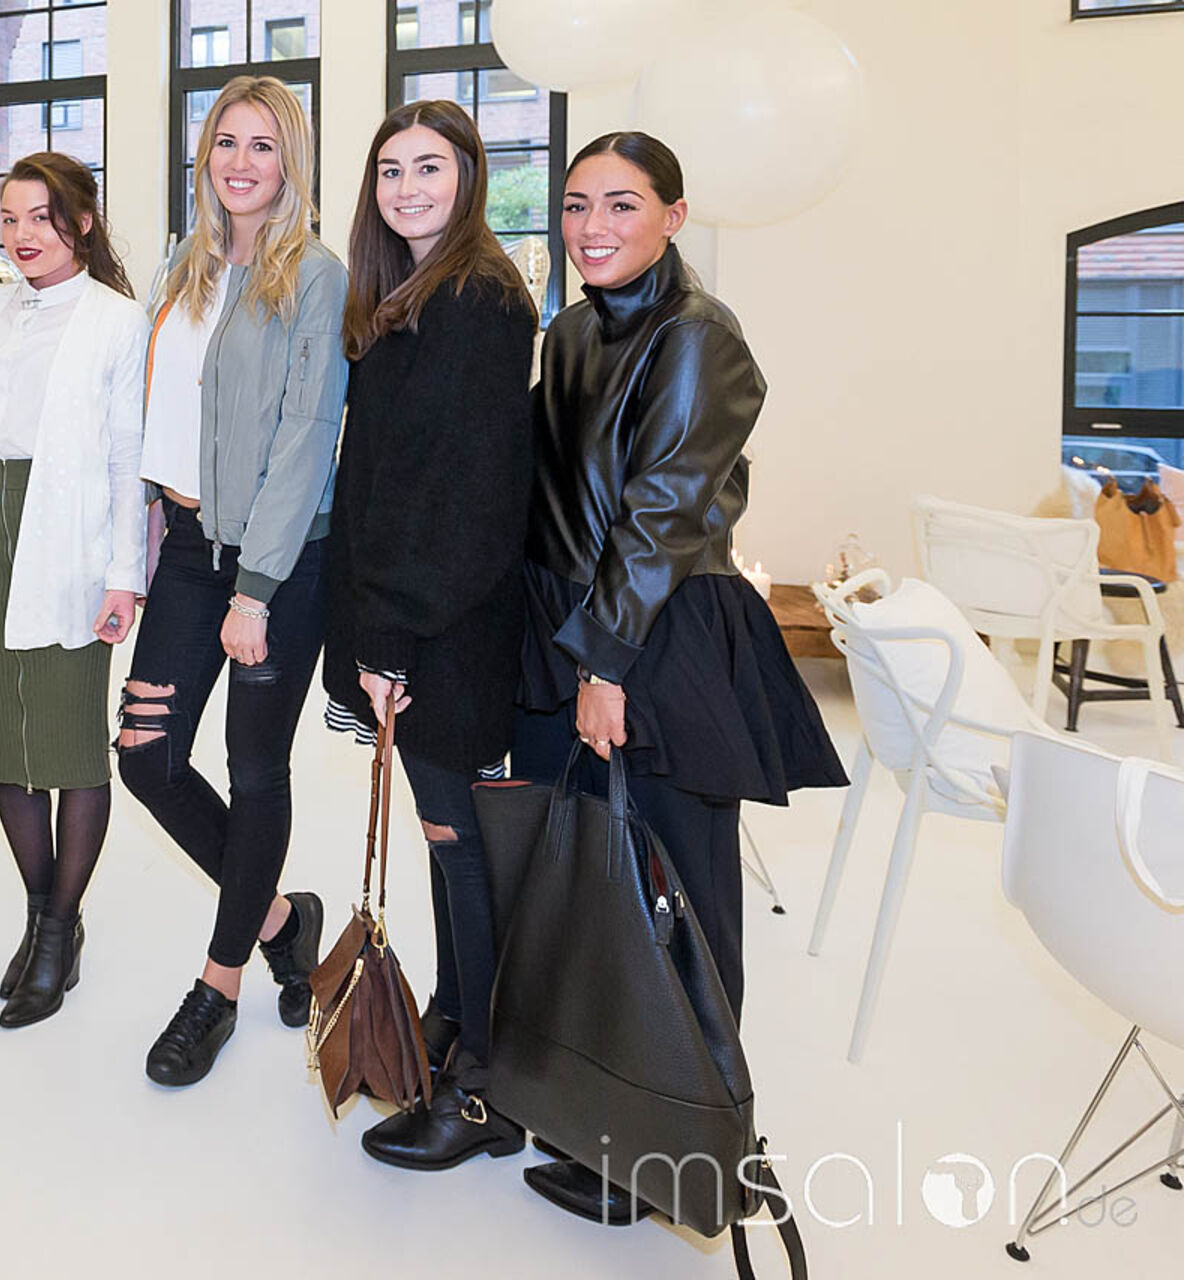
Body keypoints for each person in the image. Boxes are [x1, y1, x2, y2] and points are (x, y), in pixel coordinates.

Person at [511, 131, 846, 1221]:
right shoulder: (571, 331)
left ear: (675, 215)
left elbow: (662, 514)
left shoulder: (699, 333)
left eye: (621, 204)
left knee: (678, 901)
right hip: (571, 631)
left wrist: (604, 664)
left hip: (652, 639)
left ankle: (698, 1154)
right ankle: (615, 1125)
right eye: (576, 204)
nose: (592, 226)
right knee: (591, 892)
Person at [116, 75, 350, 1087]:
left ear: (290, 161)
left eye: (263, 145)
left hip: (278, 562)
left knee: (256, 769)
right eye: (226, 142)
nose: (241, 162)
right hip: (185, 545)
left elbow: (305, 436)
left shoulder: (316, 277)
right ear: (205, 155)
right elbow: (157, 413)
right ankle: (283, 920)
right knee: (146, 756)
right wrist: (139, 538)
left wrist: (255, 589)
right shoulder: (187, 264)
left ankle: (218, 985)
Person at [320, 99, 537, 1171]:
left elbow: (470, 497)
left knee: (462, 848)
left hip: (440, 626)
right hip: (409, 617)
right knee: (448, 838)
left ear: (470, 178)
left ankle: (486, 1094)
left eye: (430, 168)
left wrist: (393, 638)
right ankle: (456, 1017)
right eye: (390, 170)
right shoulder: (409, 294)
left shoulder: (478, 299)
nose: (406, 188)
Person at [0, 153, 148, 1029]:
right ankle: (41, 915)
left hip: (69, 538)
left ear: (82, 223)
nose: (23, 235)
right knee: (3, 738)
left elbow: (128, 457)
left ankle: (59, 932)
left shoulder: (116, 319)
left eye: (42, 218)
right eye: (10, 218)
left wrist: (124, 574)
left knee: (70, 744)